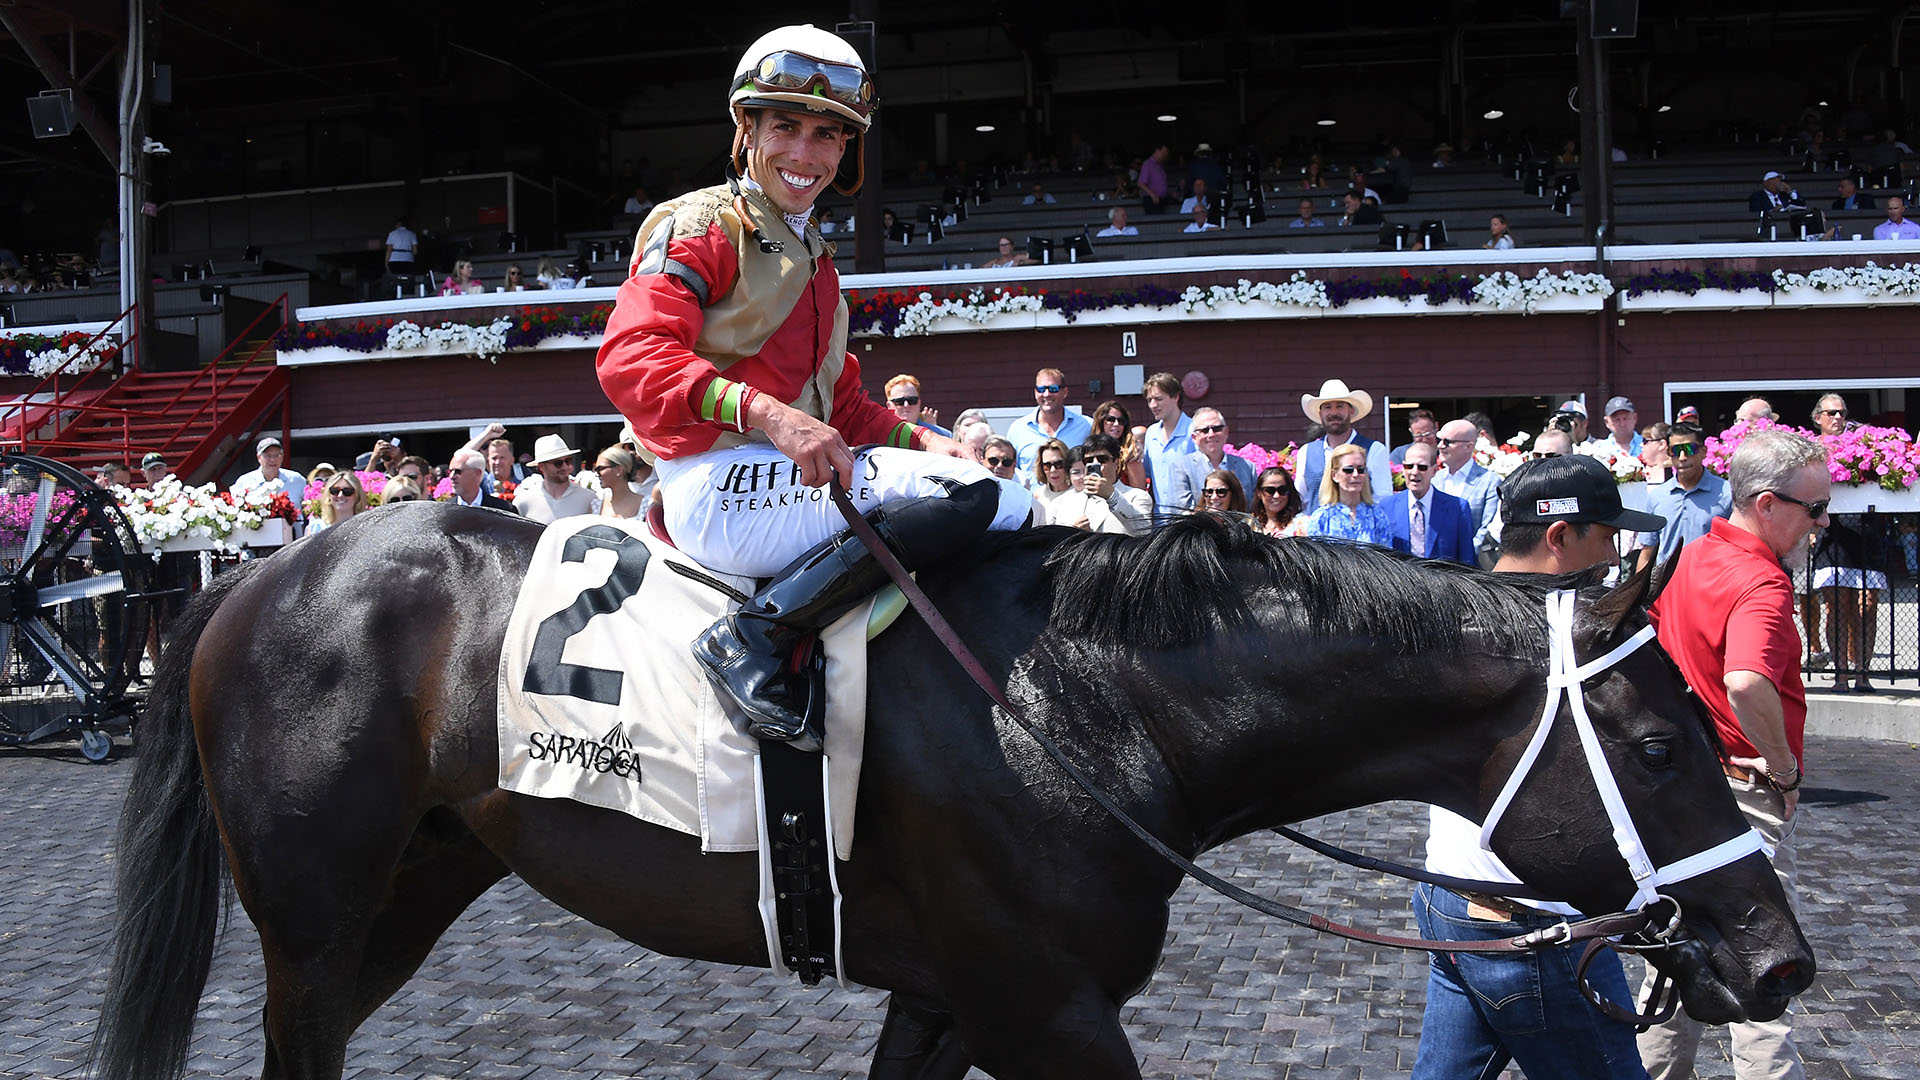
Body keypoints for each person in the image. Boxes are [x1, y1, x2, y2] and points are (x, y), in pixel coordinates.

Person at [618, 45, 1039, 754]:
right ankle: (754, 636)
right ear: (746, 129)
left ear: (848, 147)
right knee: (984, 500)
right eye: (786, 126)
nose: (805, 153)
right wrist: (770, 415)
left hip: (783, 483)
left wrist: (929, 441)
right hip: (714, 487)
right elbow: (633, 359)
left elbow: (846, 413)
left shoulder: (815, 259)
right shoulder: (696, 225)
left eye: (828, 134)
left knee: (994, 489)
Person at [1411, 453, 1667, 1080]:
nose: (1614, 553)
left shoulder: (1452, 612)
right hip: (1536, 922)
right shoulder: (1559, 635)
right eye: (1605, 535)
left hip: (1449, 891)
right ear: (1559, 536)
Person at [1636, 429, 1828, 1080]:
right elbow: (1746, 681)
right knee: (1767, 974)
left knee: (1678, 959)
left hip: (1687, 792)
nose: (1820, 522)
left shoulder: (1695, 557)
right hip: (1745, 795)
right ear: (1768, 504)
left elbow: (1658, 658)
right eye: (1814, 508)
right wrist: (1783, 767)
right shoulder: (1763, 584)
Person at [1635, 422, 1731, 570]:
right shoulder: (1657, 497)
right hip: (1667, 588)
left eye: (1689, 449)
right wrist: (1640, 592)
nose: (1682, 457)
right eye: (1675, 450)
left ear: (1703, 451)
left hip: (1711, 586)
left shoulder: (1727, 494)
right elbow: (1647, 552)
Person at [1296, 379, 1391, 512]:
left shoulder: (1375, 450)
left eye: (1339, 406)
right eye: (1328, 407)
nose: (1334, 412)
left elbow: (1383, 500)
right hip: (1315, 531)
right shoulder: (1306, 452)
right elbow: (1300, 499)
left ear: (1351, 411)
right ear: (1320, 413)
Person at [1383, 443, 1474, 564]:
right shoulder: (1386, 507)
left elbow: (1467, 560)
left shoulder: (1457, 508)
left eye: (1422, 467)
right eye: (1409, 466)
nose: (1414, 472)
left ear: (1434, 470)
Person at [1008, 368, 1092, 483]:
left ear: (1065, 392)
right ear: (1035, 393)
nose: (1046, 394)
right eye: (1041, 389)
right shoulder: (1018, 429)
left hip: (1075, 499)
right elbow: (1010, 471)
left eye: (1053, 389)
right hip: (1030, 500)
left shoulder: (1086, 426)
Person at [1167, 406, 1256, 511]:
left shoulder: (1247, 468)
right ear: (1194, 437)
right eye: (1204, 430)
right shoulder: (1180, 468)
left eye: (1216, 429)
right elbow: (1182, 510)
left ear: (1226, 432)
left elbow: (1252, 508)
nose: (1211, 434)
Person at [1063, 433, 1152, 535]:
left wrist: (1111, 496)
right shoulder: (1067, 501)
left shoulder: (1137, 496)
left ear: (1116, 462)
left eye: (1102, 459)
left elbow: (1144, 530)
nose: (1095, 463)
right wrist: (1074, 532)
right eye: (1089, 460)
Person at [1306, 443, 1391, 545]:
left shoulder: (1377, 515)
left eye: (1360, 470)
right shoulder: (1321, 518)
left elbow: (1386, 555)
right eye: (1348, 470)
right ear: (1334, 475)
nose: (1355, 475)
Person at [1140, 371, 1197, 515]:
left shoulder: (1194, 430)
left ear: (1176, 397)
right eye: (1149, 400)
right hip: (1159, 520)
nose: (1153, 405)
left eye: (1158, 399)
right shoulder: (1151, 433)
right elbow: (1147, 475)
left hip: (1188, 519)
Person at [512, 434, 601, 524]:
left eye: (568, 461)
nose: (565, 467)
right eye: (558, 463)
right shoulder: (524, 501)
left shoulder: (589, 498)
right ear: (541, 467)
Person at [230, 436, 307, 516]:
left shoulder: (296, 479)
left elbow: (311, 505)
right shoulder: (244, 482)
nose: (273, 460)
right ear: (259, 458)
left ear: (282, 457)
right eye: (268, 456)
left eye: (277, 455)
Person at [1091, 399, 1151, 491]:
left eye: (1121, 421)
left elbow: (1139, 492)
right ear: (1100, 421)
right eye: (1110, 419)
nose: (1116, 424)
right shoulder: (1090, 451)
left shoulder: (1130, 454)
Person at [882, 373, 952, 438]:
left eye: (912, 400)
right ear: (889, 405)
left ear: (919, 403)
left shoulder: (942, 435)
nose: (906, 405)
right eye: (899, 401)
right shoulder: (879, 436)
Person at [445, 449, 514, 511]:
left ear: (477, 473)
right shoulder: (444, 509)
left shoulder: (502, 509)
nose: (452, 476)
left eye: (458, 471)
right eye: (450, 472)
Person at [593, 446, 648, 519]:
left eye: (600, 469)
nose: (596, 474)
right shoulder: (597, 506)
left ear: (619, 469)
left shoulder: (646, 504)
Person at [1249, 466, 1305, 537]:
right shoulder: (1250, 525)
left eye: (1282, 490)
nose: (1276, 496)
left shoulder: (1301, 524)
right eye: (1269, 491)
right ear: (1259, 493)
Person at [309, 470, 369, 535]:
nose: (340, 495)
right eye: (335, 491)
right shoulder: (317, 527)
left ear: (357, 496)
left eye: (347, 491)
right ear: (329, 495)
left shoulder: (366, 528)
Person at [1028, 439, 1075, 521]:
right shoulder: (1037, 496)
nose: (1053, 470)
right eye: (1047, 465)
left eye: (1059, 464)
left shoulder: (1078, 493)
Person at [1139, 144, 1171, 214]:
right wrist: (1152, 195)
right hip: (1152, 200)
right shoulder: (1148, 164)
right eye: (1163, 153)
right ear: (1157, 150)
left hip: (1162, 200)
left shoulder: (1160, 166)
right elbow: (1141, 183)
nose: (1165, 155)